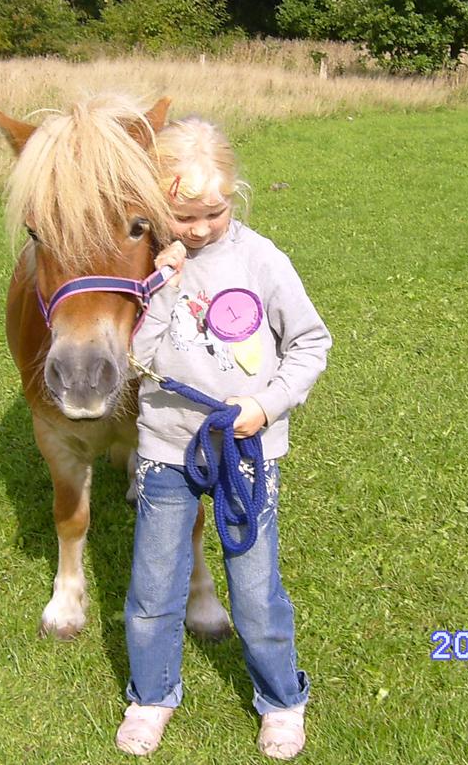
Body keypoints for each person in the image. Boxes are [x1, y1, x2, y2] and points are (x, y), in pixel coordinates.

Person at [116, 117, 332, 759]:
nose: (201, 228)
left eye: (213, 212)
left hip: (246, 451)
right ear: (159, 208)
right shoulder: (146, 266)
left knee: (255, 586)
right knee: (154, 586)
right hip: (166, 448)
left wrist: (264, 406)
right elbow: (135, 358)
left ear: (232, 196)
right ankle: (151, 695)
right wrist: (164, 285)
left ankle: (282, 701)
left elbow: (311, 343)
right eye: (184, 217)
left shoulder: (261, 259)